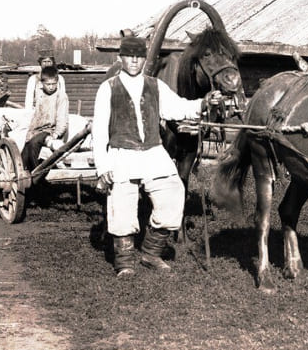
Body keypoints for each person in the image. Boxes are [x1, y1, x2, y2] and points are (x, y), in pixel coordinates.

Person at [92, 35, 220, 277]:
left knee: (173, 192)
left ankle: (151, 253)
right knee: (122, 204)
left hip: (152, 152)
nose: (133, 61)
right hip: (122, 153)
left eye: (138, 57)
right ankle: (125, 263)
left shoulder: (155, 85)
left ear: (143, 59)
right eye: (129, 56)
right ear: (121, 58)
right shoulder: (107, 88)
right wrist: (103, 166)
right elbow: (98, 130)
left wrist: (204, 103)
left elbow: (178, 107)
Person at [21, 65, 69, 172]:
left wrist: (56, 133)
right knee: (25, 150)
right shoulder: (39, 93)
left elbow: (62, 118)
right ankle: (22, 177)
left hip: (50, 131)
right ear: (42, 83)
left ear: (57, 82)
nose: (51, 87)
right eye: (48, 84)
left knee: (34, 144)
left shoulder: (61, 97)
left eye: (54, 84)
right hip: (36, 130)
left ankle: (37, 176)